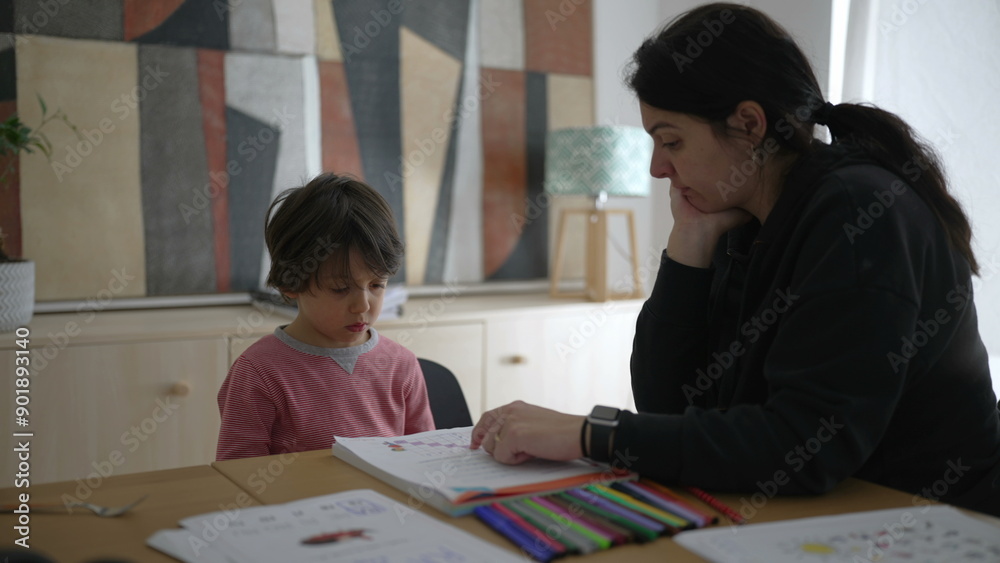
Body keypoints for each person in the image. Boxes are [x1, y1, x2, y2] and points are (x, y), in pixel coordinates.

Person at [471, 2, 1000, 516]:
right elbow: (672, 407)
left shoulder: (858, 213)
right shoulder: (743, 218)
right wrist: (689, 244)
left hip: (938, 520)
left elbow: (804, 448)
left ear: (748, 123)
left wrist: (591, 432)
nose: (658, 169)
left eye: (671, 142)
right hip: (828, 515)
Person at [217, 173, 435, 461]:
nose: (362, 305)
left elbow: (426, 457)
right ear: (291, 284)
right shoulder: (258, 373)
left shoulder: (401, 365)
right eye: (340, 288)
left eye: (376, 285)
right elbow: (236, 476)